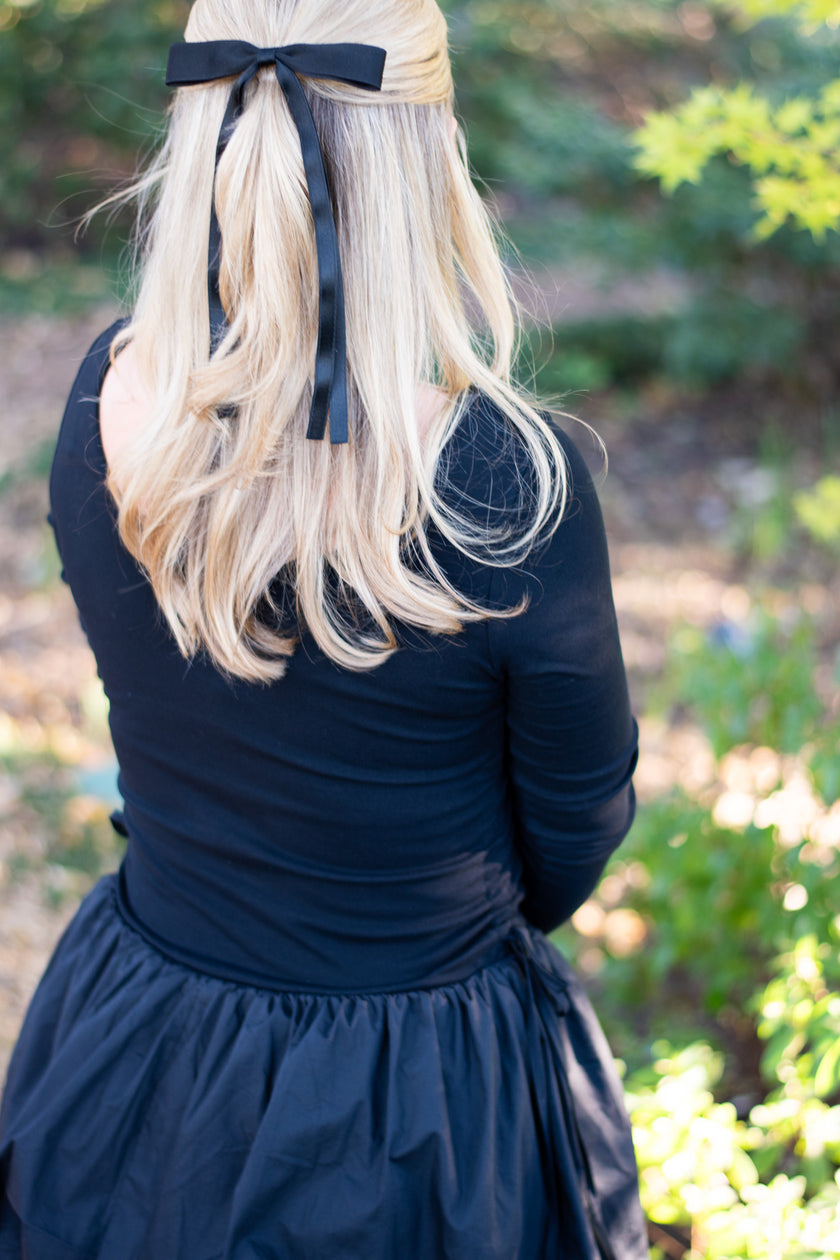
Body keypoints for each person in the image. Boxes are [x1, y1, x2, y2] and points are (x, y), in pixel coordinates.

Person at [0, 0, 649, 1256]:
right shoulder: (513, 481)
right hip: (415, 1099)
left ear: (196, 139)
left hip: (139, 1051)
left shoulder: (109, 391)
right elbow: (577, 826)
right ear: (429, 158)